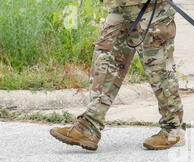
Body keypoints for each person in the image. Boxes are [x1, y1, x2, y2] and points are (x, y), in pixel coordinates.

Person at [50, 0, 185, 151]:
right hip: (119, 4)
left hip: (151, 7)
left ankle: (173, 129)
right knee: (106, 58)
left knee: (157, 67)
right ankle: (88, 125)